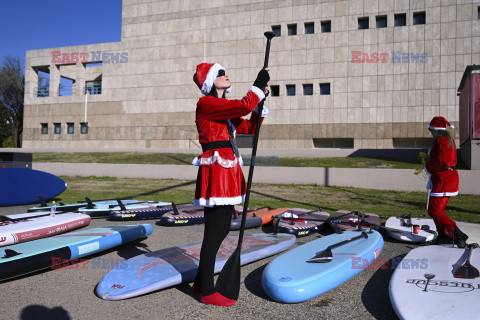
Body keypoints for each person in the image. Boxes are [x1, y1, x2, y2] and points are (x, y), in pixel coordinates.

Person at [191, 62, 269, 306]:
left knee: (223, 228)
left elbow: (250, 127)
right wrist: (256, 86)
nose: (227, 76)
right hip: (216, 171)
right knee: (214, 232)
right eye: (221, 74)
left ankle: (200, 281)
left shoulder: (224, 110)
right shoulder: (207, 104)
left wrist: (261, 103)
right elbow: (244, 104)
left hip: (229, 172)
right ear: (210, 80)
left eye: (226, 72)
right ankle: (207, 292)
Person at [425, 116, 468, 248]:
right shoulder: (446, 139)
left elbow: (442, 161)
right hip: (445, 178)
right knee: (438, 210)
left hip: (444, 179)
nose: (430, 132)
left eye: (431, 130)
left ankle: (458, 234)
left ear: (435, 130)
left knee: (434, 211)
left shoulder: (441, 140)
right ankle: (443, 236)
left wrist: (428, 167)